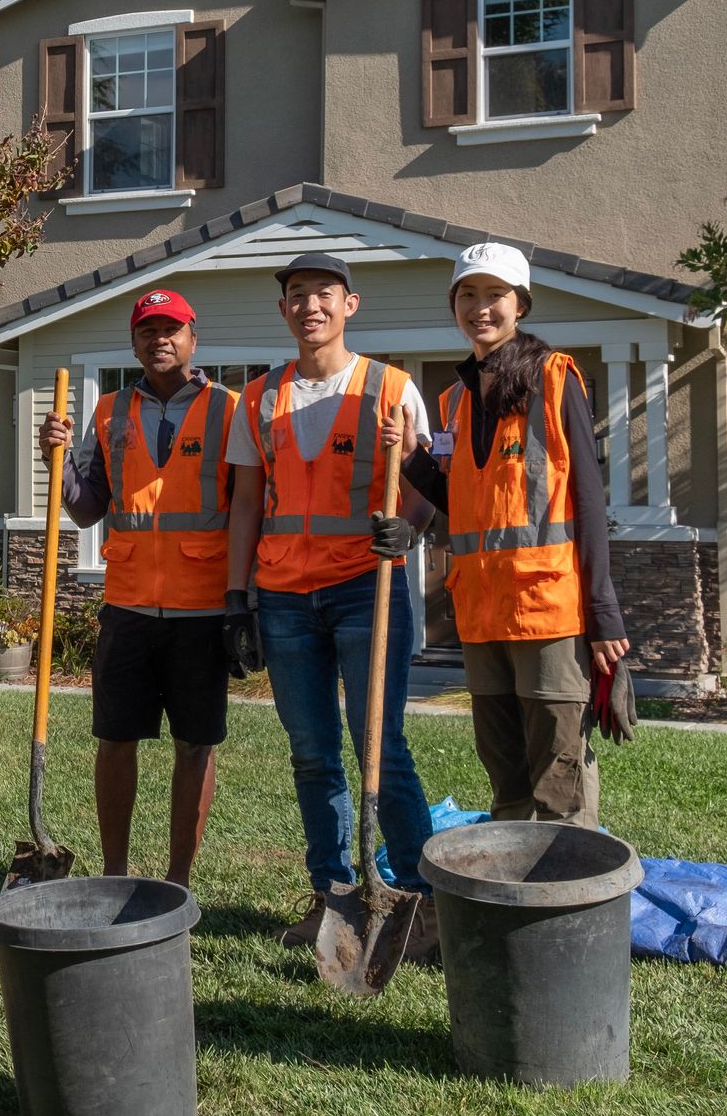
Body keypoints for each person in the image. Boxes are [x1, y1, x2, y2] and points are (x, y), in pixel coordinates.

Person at [223, 252, 440, 958]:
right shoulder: (257, 399)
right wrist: (237, 599)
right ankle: (332, 893)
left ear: (351, 304)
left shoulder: (394, 389)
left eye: (324, 294)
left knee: (381, 745)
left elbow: (429, 484)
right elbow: (249, 503)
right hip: (285, 596)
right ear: (283, 309)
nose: (309, 305)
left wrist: (410, 524)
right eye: (295, 294)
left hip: (365, 588)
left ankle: (417, 896)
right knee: (312, 751)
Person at [387, 242, 633, 827]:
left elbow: (589, 499)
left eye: (494, 295)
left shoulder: (553, 378)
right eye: (467, 295)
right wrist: (410, 458)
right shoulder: (453, 400)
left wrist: (604, 612)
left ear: (519, 304)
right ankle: (512, 894)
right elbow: (465, 505)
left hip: (548, 609)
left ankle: (569, 895)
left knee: (559, 773)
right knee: (506, 773)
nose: (480, 308)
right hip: (481, 613)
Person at [38, 289, 239, 889]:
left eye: (171, 329)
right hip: (126, 606)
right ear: (134, 342)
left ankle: (178, 880)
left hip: (201, 609)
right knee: (115, 739)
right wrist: (57, 463)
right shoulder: (108, 412)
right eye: (148, 331)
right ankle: (116, 873)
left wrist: (243, 599)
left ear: (193, 337)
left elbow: (250, 504)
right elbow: (87, 507)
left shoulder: (230, 410)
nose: (160, 340)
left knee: (196, 745)